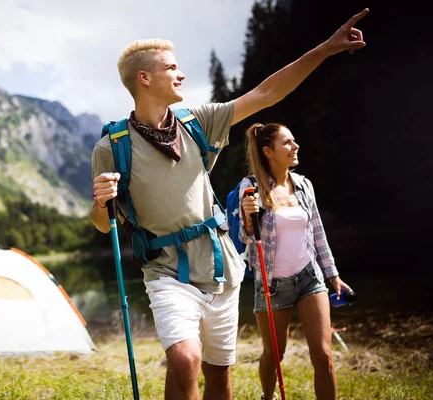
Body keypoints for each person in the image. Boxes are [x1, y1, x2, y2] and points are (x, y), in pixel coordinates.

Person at [90, 8, 368, 400]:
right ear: (145, 78)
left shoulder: (197, 122)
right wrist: (101, 202)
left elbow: (267, 92)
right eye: (172, 67)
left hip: (222, 267)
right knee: (185, 358)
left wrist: (326, 48)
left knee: (219, 378)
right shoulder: (111, 148)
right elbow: (104, 224)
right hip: (166, 270)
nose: (181, 73)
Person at [239, 123, 352, 400]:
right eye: (287, 143)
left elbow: (317, 232)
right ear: (268, 151)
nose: (295, 146)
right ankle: (268, 396)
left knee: (323, 354)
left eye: (294, 141)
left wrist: (333, 275)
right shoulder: (251, 186)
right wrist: (247, 215)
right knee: (275, 354)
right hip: (272, 285)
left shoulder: (303, 184)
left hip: (309, 278)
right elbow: (245, 235)